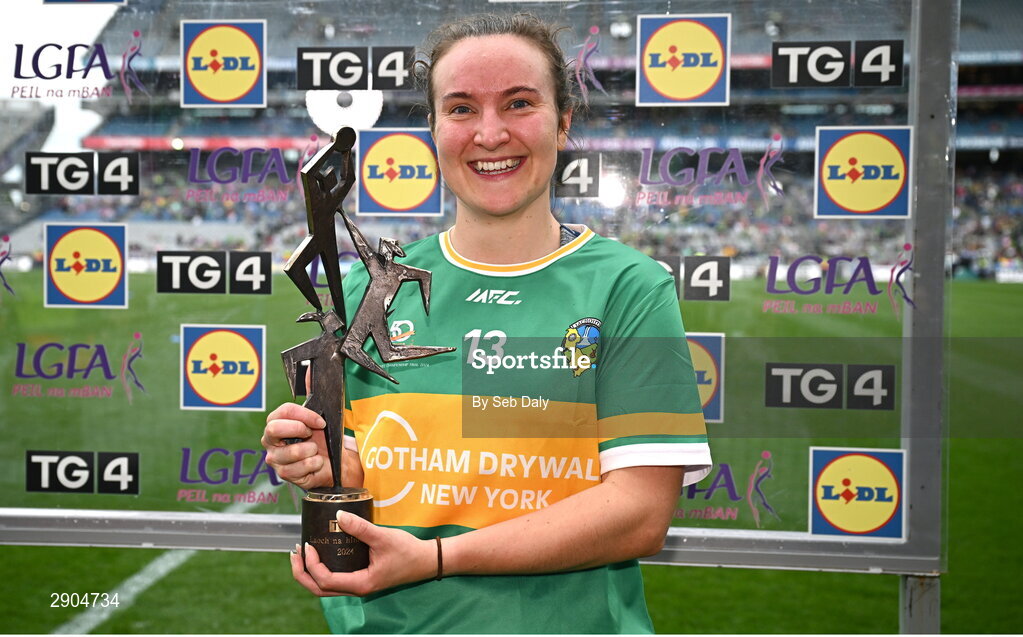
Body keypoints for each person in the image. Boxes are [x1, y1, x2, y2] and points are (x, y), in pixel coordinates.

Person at [261, 12, 712, 634]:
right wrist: (323, 466)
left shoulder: (628, 288)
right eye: (462, 108)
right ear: (433, 128)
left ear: (563, 120)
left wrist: (435, 559)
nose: (491, 133)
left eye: (519, 103)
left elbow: (638, 513)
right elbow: (353, 485)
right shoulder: (368, 288)